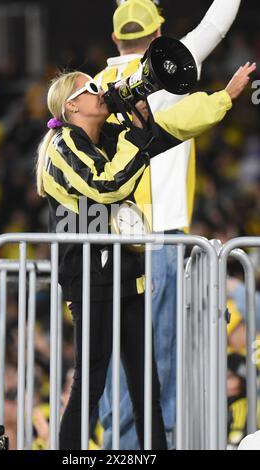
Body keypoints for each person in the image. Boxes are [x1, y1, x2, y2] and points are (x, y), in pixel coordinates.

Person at [36, 63, 255, 450]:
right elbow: (104, 184)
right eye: (88, 88)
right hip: (88, 275)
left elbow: (167, 131)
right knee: (92, 378)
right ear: (70, 108)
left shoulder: (111, 135)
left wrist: (224, 97)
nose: (98, 89)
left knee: (144, 381)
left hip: (126, 269)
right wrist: (135, 137)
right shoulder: (62, 146)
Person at [95, 0, 243, 448]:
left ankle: (114, 446)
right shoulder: (172, 63)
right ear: (160, 36)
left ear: (115, 38)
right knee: (158, 352)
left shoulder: (94, 88)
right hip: (159, 239)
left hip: (103, 241)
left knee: (110, 351)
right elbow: (218, 20)